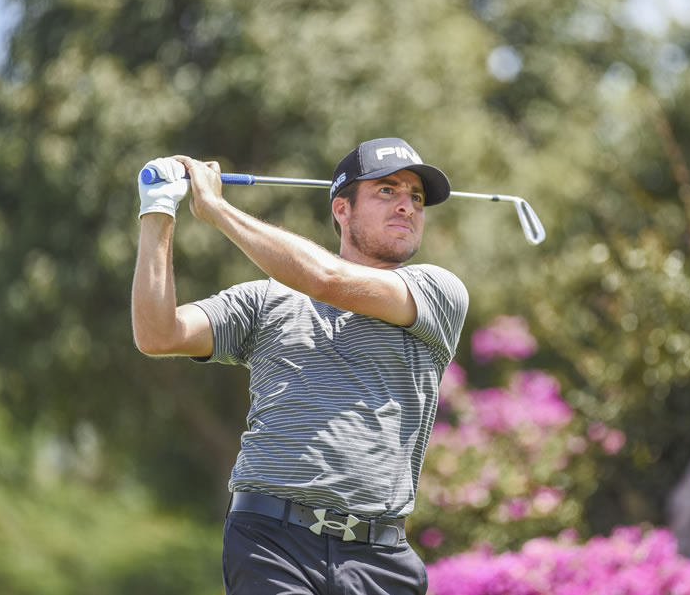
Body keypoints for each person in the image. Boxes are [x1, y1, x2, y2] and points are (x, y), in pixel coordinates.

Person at [131, 137, 469, 594]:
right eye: (387, 191)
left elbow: (327, 279)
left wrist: (216, 210)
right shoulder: (265, 299)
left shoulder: (437, 291)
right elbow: (158, 334)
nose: (407, 206)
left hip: (380, 559)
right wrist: (158, 211)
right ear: (342, 210)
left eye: (417, 198)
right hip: (271, 541)